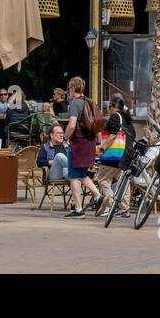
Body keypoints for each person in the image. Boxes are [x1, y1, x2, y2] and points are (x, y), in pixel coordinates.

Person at [62, 76, 101, 218]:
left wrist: (65, 137)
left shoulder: (74, 103)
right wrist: (98, 143)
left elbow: (72, 125)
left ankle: (78, 210)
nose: (69, 91)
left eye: (69, 88)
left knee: (73, 176)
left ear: (72, 88)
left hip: (78, 142)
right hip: (89, 142)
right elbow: (97, 125)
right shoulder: (90, 102)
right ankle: (98, 196)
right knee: (82, 175)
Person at [93, 96, 135, 219]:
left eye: (109, 108)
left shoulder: (115, 116)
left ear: (113, 107)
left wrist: (102, 148)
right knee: (122, 182)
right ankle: (124, 209)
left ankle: (110, 202)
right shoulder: (128, 120)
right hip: (126, 155)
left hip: (113, 156)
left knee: (102, 179)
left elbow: (112, 135)